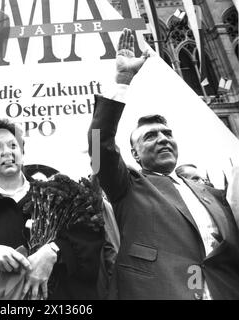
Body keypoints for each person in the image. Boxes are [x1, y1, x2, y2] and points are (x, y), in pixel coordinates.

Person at [88, 28, 239, 300]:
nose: (162, 139)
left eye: (167, 133)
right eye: (150, 136)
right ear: (134, 154)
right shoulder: (127, 186)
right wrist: (122, 80)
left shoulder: (211, 193)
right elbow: (98, 149)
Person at [0, 118, 103, 300]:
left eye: (13, 145)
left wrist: (54, 251)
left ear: (22, 154)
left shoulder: (54, 197)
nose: (7, 152)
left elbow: (90, 242)